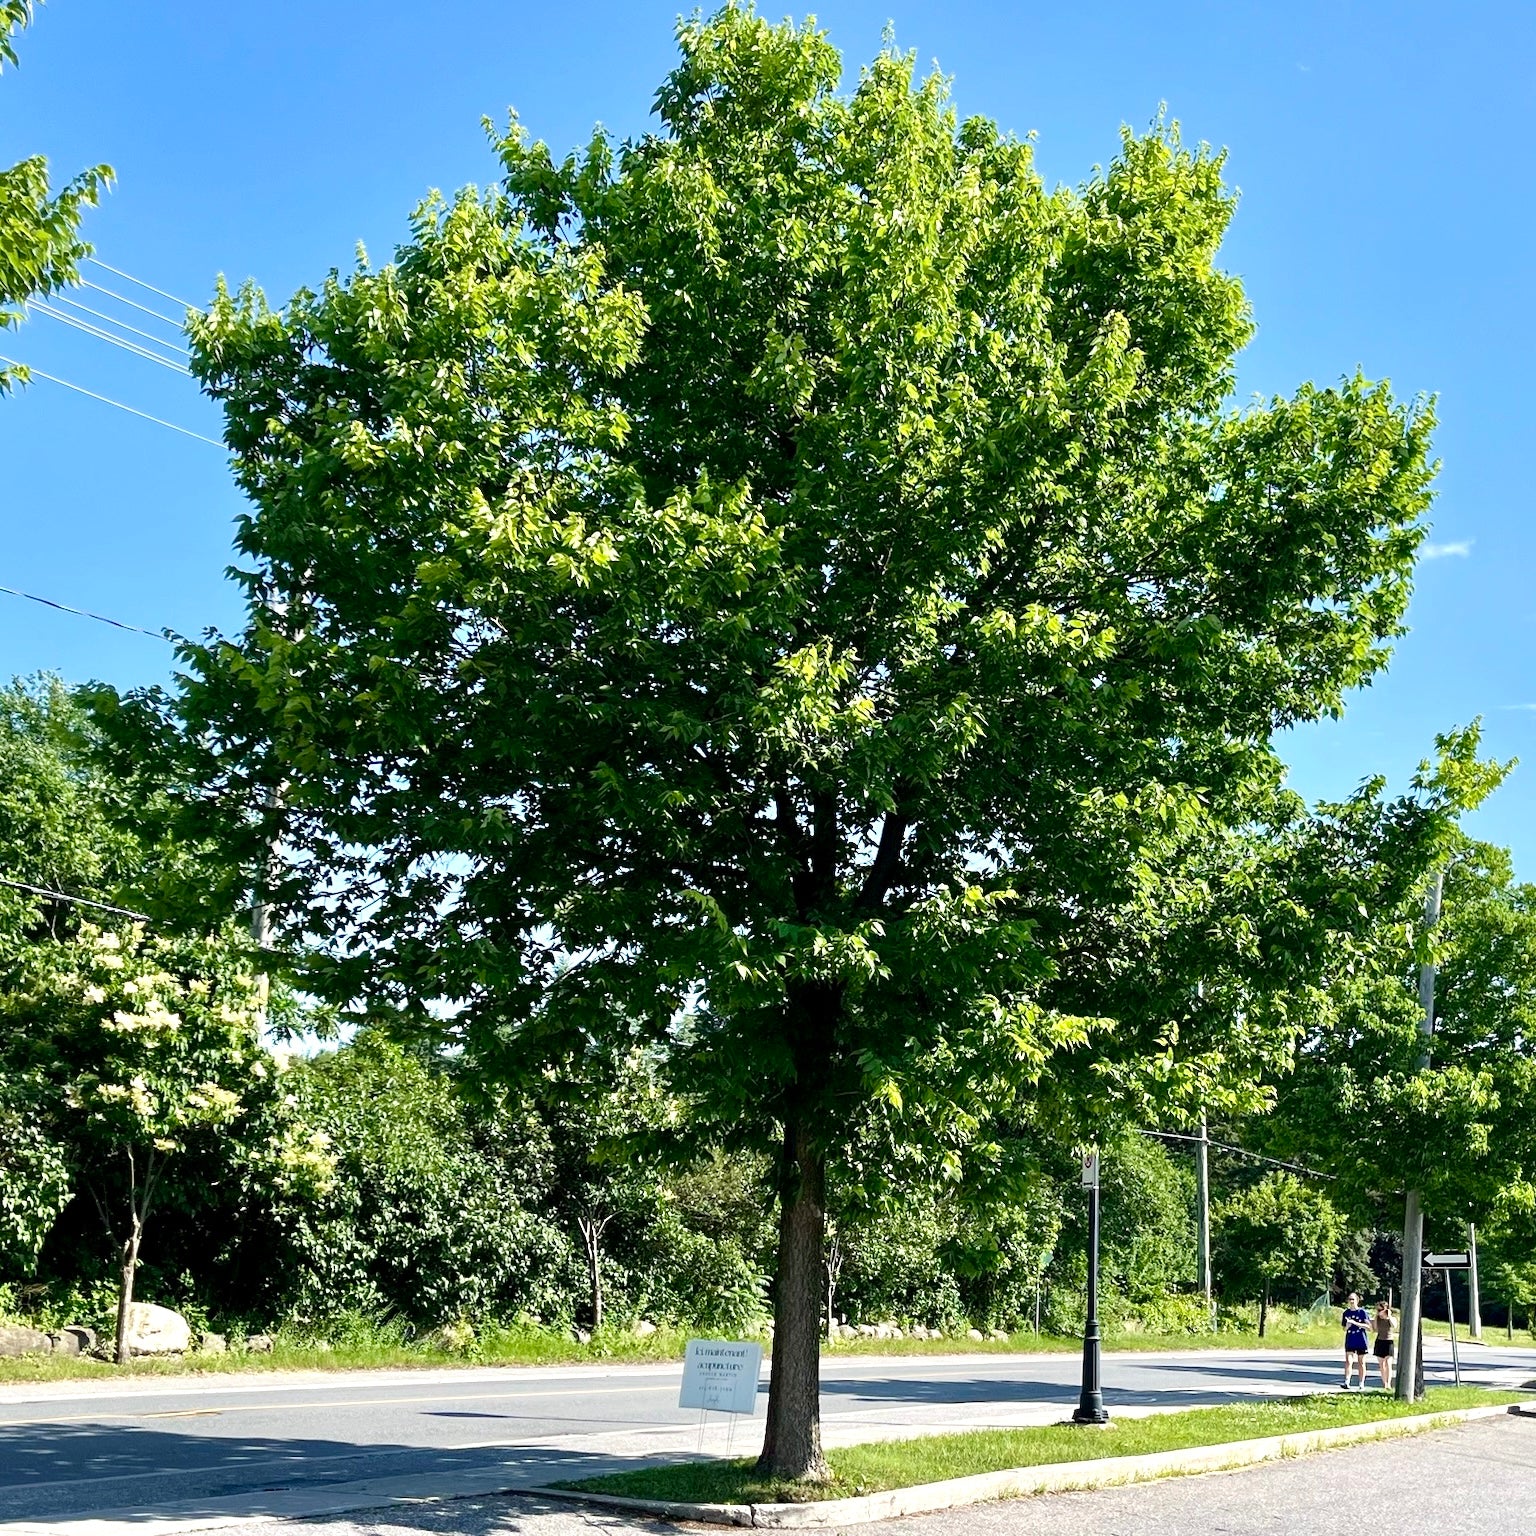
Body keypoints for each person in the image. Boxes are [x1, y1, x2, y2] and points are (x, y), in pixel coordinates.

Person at [1341, 1292, 1370, 1389]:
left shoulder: (1362, 1313)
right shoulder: (1346, 1313)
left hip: (1361, 1339)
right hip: (1350, 1339)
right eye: (1350, 1299)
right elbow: (1344, 1328)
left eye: (1353, 1299)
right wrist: (1347, 1326)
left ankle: (1361, 1383)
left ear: (1357, 1300)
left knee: (1361, 1362)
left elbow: (1369, 1327)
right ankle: (1347, 1381)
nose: (1351, 1301)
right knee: (1348, 1361)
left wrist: (1356, 1323)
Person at [1373, 1299, 1395, 1390]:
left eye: (1380, 1310)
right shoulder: (1377, 1318)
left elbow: (1394, 1326)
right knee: (1382, 1364)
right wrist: (1376, 1317)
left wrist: (1389, 1316)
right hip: (1380, 1341)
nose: (1379, 1312)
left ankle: (1389, 1383)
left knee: (1388, 1363)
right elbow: (1375, 1329)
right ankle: (1384, 1383)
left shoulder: (1391, 1318)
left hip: (1389, 1341)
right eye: (1377, 1310)